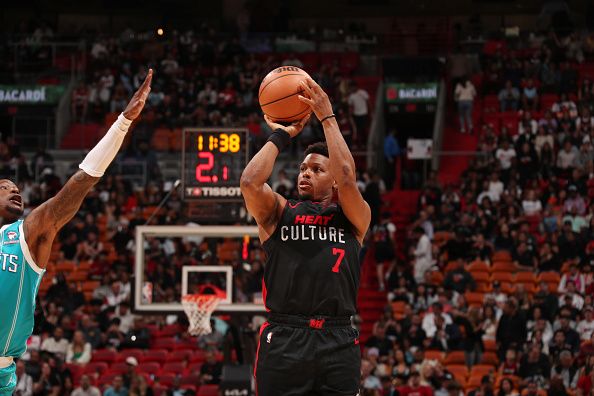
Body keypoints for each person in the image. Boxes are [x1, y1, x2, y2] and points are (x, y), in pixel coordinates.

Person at [0, 69, 153, 395]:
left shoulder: (24, 235)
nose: (15, 191)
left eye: (17, 187)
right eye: (4, 187)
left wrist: (123, 122)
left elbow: (80, 182)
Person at [241, 76, 370, 395]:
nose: (305, 174)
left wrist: (327, 118)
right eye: (302, 169)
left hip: (337, 340)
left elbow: (349, 180)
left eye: (316, 169)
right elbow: (249, 183)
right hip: (285, 336)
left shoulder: (353, 217)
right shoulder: (279, 212)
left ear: (334, 180)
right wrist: (282, 134)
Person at [372, 212, 397, 291]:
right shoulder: (390, 225)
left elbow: (374, 238)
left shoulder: (376, 227)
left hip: (378, 247)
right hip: (387, 246)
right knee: (394, 259)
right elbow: (391, 237)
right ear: (389, 218)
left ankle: (381, 284)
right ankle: (388, 273)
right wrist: (394, 245)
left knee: (379, 266)